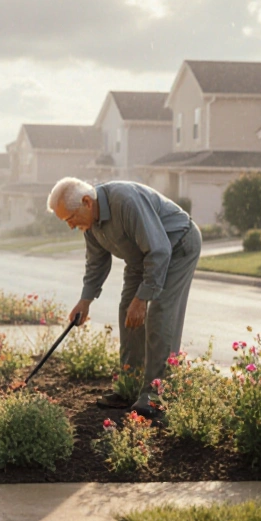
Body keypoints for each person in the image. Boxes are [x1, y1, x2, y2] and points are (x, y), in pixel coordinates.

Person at [47, 177, 202, 418]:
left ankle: (157, 394)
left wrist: (143, 299)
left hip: (177, 247)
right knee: (127, 313)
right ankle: (130, 386)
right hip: (141, 258)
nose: (70, 226)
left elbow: (159, 250)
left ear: (87, 202)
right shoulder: (90, 225)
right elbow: (96, 263)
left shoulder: (125, 201)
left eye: (70, 219)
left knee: (159, 314)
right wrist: (85, 300)